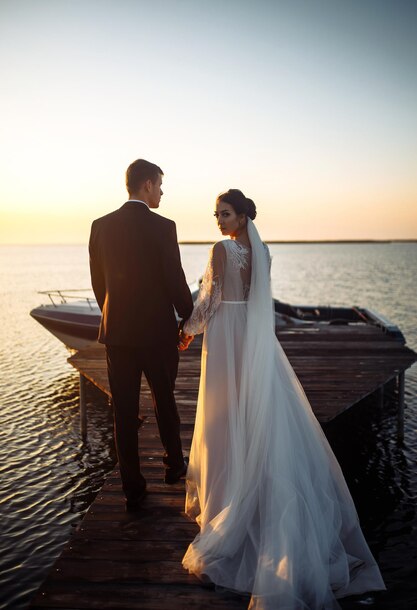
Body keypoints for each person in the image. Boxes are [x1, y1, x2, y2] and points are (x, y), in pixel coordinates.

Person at [180, 189, 385, 609]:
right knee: (253, 411)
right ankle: (245, 485)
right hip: (254, 341)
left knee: (224, 414)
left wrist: (187, 329)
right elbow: (259, 298)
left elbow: (213, 299)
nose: (218, 220)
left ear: (241, 215)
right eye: (216, 214)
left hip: (227, 338)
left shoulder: (221, 250)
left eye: (226, 213)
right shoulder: (263, 248)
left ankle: (227, 498)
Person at [89, 158, 193, 512]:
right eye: (160, 185)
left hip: (117, 335)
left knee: (124, 412)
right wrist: (189, 318)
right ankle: (173, 467)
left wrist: (114, 315)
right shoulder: (164, 227)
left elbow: (98, 283)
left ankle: (133, 489)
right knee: (165, 402)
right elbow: (175, 280)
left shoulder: (100, 226)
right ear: (147, 184)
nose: (162, 191)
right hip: (158, 333)